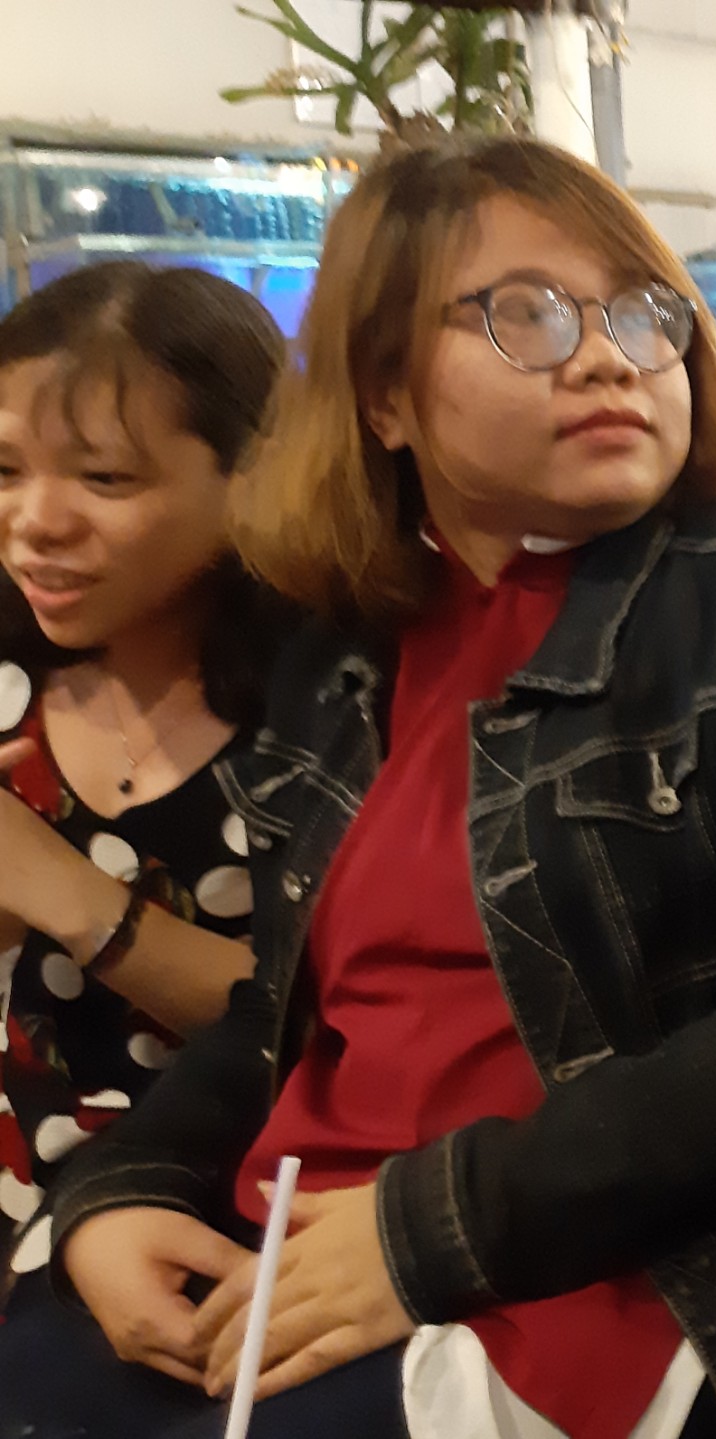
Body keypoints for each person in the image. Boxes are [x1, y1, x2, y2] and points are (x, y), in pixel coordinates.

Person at [5, 137, 716, 1439]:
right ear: (383, 395)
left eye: (643, 313)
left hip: (618, 1278)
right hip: (304, 1231)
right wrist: (125, 1187)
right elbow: (290, 1010)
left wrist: (434, 1229)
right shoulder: (348, 651)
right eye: (526, 314)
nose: (608, 358)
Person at [0, 263, 287, 1299]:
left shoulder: (335, 707)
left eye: (105, 478)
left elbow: (319, 1020)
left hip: (219, 1215)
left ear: (252, 474)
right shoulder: (13, 678)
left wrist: (63, 891)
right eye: (4, 469)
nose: (36, 519)